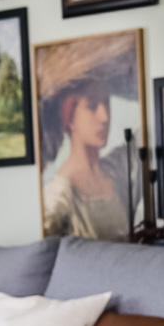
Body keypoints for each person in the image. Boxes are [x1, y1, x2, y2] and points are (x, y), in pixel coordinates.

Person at [41, 80, 131, 240]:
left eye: (106, 103)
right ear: (69, 116)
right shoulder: (58, 198)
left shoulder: (115, 171)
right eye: (92, 106)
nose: (104, 117)